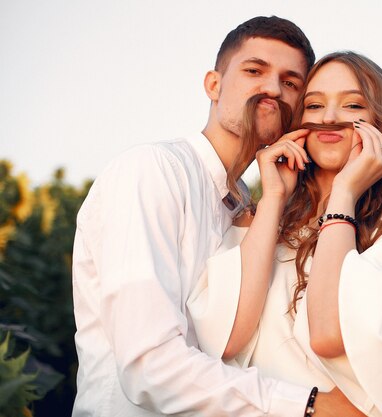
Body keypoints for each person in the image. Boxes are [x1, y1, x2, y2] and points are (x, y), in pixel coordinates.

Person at [72, 16, 366, 416]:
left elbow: (229, 342)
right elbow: (149, 366)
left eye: (291, 82)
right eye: (254, 70)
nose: (272, 88)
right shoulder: (152, 171)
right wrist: (309, 406)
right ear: (213, 84)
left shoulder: (253, 202)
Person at [189, 51, 382, 416]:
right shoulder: (261, 219)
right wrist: (272, 198)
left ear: (380, 122)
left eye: (353, 105)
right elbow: (224, 339)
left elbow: (329, 335)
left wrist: (344, 194)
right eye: (314, 105)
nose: (330, 118)